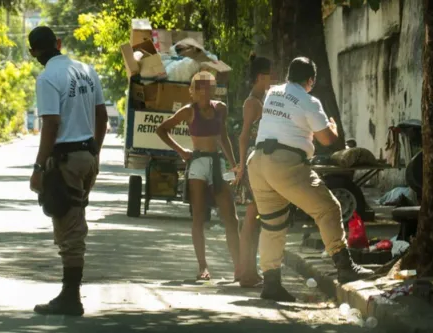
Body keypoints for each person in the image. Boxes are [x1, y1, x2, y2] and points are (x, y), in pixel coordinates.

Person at [247, 57, 373, 302]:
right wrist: (333, 128)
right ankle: (345, 268)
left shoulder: (273, 92)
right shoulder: (309, 100)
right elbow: (327, 139)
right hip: (284, 163)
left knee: (273, 224)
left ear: (287, 75)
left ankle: (271, 283)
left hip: (258, 161)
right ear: (311, 81)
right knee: (328, 208)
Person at [28, 26, 108, 316]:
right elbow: (102, 116)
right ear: (58, 43)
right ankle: (69, 292)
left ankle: (71, 297)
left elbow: (50, 125)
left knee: (69, 227)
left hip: (66, 161)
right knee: (72, 219)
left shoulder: (48, 77)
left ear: (33, 52)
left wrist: (38, 167)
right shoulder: (87, 70)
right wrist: (95, 153)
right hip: (86, 155)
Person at [156, 71, 240, 281]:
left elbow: (223, 136)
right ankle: (203, 267)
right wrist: (182, 152)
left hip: (218, 162)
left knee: (231, 217)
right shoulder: (188, 111)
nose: (204, 92)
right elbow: (162, 130)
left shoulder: (220, 108)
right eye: (199, 88)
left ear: (213, 90)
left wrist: (233, 164)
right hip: (198, 165)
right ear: (192, 92)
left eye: (208, 88)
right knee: (199, 218)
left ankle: (239, 268)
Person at [234, 53, 272, 287]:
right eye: (268, 76)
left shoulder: (261, 101)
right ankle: (246, 272)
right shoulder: (252, 103)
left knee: (254, 220)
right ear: (260, 77)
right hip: (251, 165)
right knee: (250, 221)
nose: (271, 80)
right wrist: (240, 167)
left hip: (256, 164)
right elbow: (243, 136)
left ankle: (249, 270)